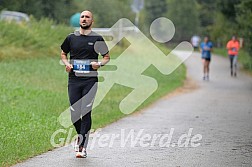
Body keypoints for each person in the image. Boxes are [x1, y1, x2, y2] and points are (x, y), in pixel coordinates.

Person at [60, 10, 110, 158]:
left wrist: (99, 64)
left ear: (91, 22)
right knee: (74, 113)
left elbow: (107, 57)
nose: (84, 19)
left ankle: (82, 146)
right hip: (74, 80)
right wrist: (67, 64)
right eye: (82, 17)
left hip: (90, 80)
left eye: (87, 17)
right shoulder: (71, 38)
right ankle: (80, 136)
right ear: (79, 20)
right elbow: (63, 53)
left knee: (86, 111)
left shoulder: (97, 38)